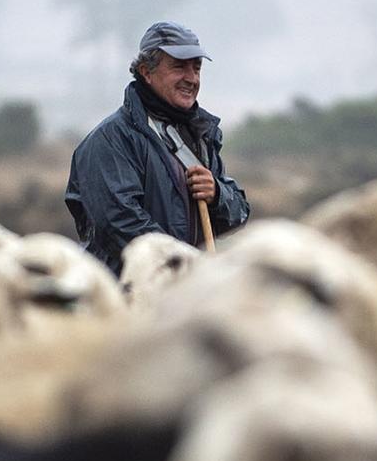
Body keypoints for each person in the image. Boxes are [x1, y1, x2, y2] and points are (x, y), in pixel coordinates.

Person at [64, 21, 251, 276]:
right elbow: (120, 223)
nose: (192, 78)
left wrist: (218, 194)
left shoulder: (201, 135)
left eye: (196, 68)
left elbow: (238, 214)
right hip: (130, 295)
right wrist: (186, 268)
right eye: (179, 67)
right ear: (146, 71)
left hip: (184, 292)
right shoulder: (109, 140)